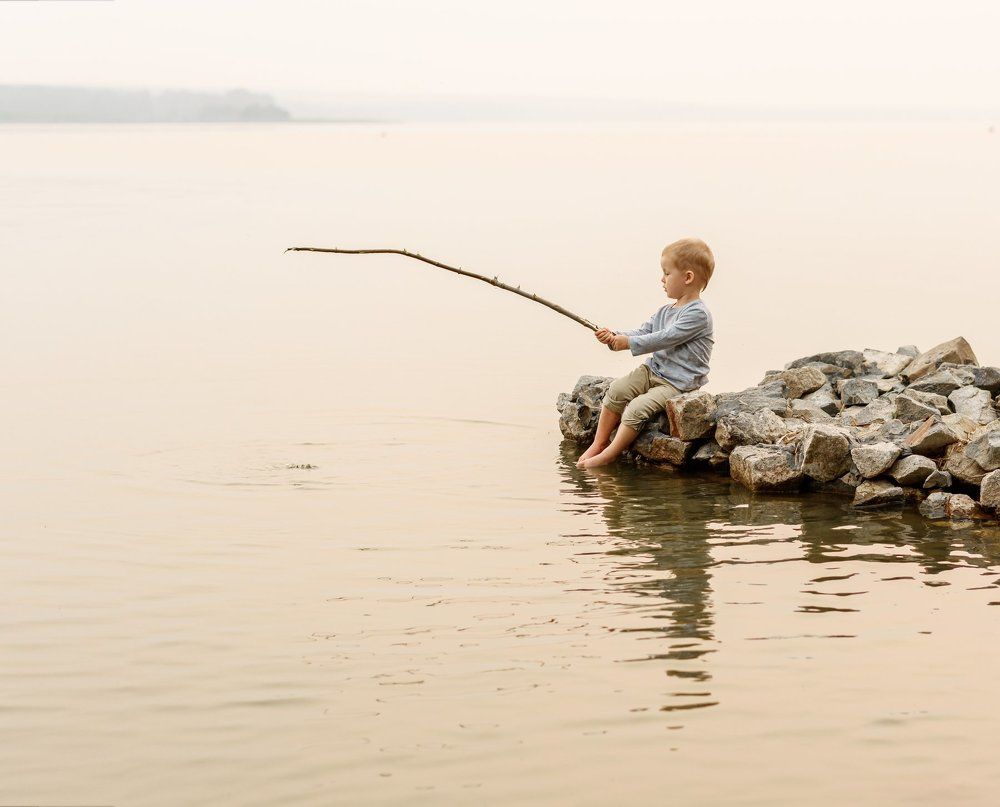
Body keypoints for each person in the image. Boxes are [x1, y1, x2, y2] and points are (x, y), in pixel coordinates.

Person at [576, 238, 715, 469]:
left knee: (637, 408)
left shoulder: (698, 315)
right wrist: (615, 336)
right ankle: (598, 443)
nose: (662, 279)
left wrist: (628, 343)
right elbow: (645, 331)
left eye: (667, 273)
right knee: (617, 390)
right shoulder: (665, 310)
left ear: (688, 278)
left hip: (677, 383)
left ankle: (610, 453)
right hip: (654, 370)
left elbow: (665, 337)